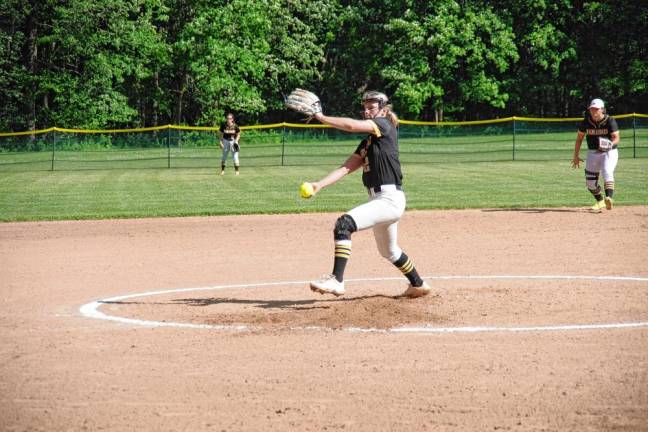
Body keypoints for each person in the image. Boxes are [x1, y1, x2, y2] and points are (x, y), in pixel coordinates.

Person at [305, 91, 431, 298]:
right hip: (380, 200)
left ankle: (337, 280)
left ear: (383, 109)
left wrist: (321, 117)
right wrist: (320, 185)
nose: (366, 111)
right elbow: (347, 166)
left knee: (343, 224)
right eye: (364, 107)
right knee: (389, 251)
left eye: (371, 107)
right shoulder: (368, 143)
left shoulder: (383, 125)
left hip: (389, 199)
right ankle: (418, 284)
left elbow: (351, 126)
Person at [571, 98, 620, 212]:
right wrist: (576, 156)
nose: (593, 111)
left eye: (596, 109)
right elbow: (579, 139)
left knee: (607, 171)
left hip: (609, 151)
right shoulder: (586, 122)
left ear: (602, 109)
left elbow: (616, 138)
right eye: (592, 109)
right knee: (590, 183)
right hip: (593, 152)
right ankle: (600, 200)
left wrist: (610, 144)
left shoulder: (610, 120)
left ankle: (609, 198)